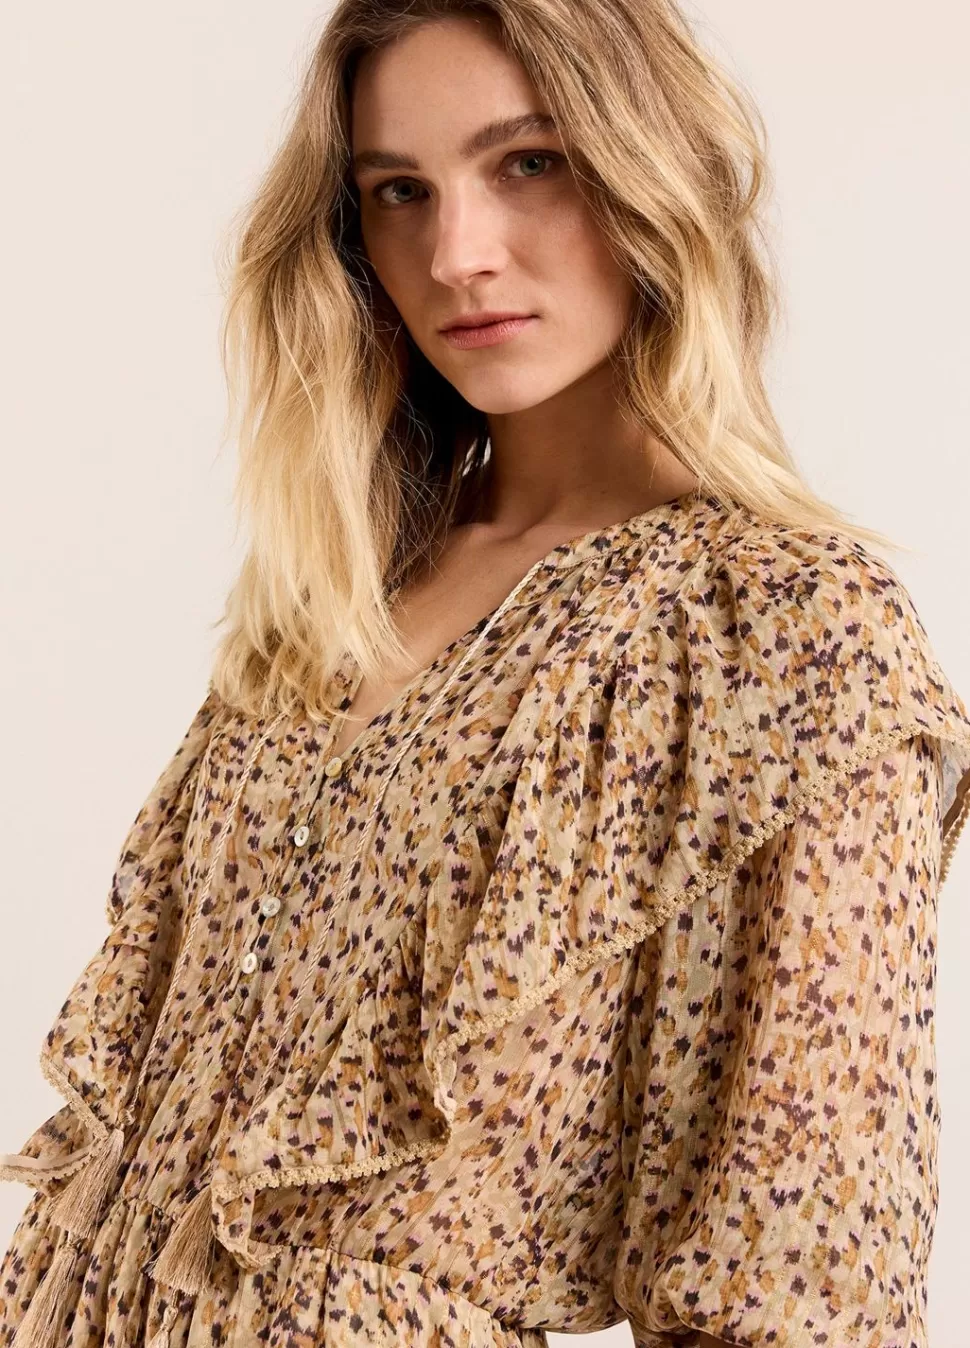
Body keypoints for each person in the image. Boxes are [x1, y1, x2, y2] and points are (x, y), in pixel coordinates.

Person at [2, 1, 969, 1345]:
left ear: (651, 169)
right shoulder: (335, 593)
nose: (456, 254)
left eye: (529, 163)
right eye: (398, 191)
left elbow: (800, 1276)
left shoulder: (782, 634)